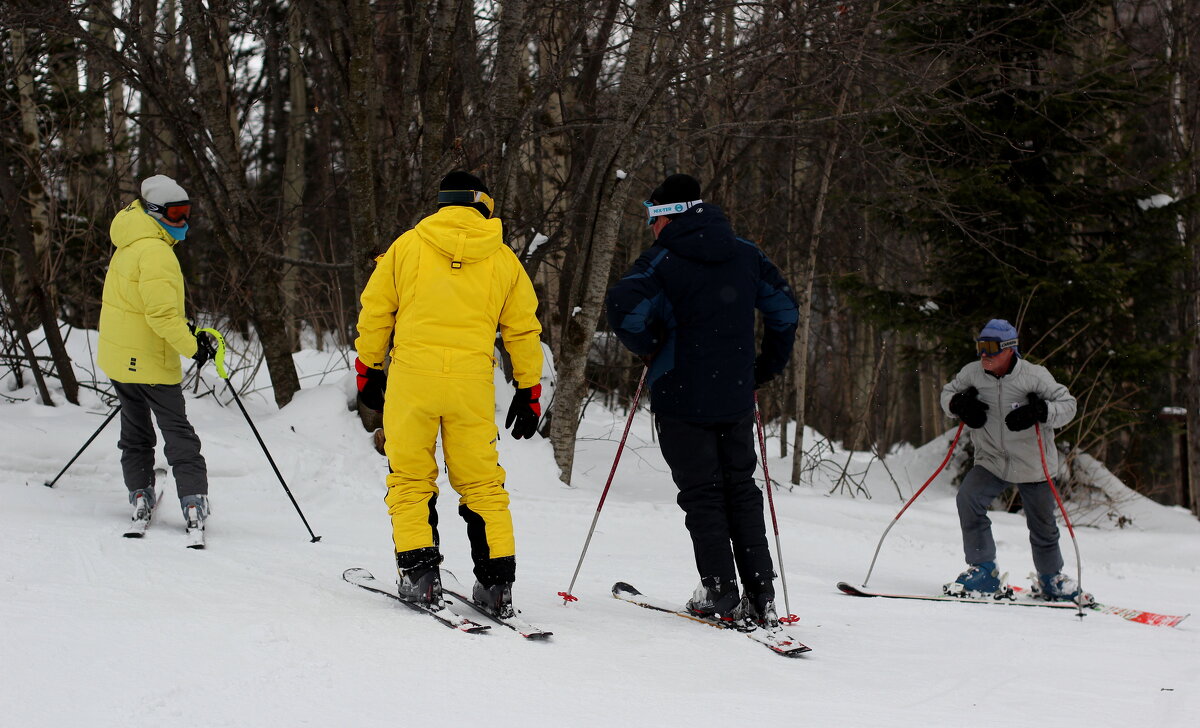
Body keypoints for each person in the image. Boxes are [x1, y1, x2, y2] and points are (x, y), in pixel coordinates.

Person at [605, 173, 799, 627]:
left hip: (681, 395)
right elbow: (785, 310)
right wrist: (765, 366)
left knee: (704, 495)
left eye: (652, 216)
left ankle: (719, 592)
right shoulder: (746, 253)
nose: (650, 226)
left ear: (667, 215)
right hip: (733, 395)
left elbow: (622, 307)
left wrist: (651, 343)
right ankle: (761, 594)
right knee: (740, 490)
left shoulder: (662, 260)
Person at [354, 171, 543, 618]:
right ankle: (497, 586)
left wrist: (370, 369)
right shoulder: (503, 259)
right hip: (471, 383)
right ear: (483, 205)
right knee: (481, 484)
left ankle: (419, 577)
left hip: (412, 379)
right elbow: (523, 328)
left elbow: (375, 311)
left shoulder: (406, 247)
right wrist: (528, 389)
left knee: (411, 479)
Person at [97, 174, 216, 538]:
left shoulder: (129, 241)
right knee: (178, 433)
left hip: (120, 359)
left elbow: (138, 306)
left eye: (187, 212)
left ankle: (139, 493)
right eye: (176, 214)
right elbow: (161, 316)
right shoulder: (157, 252)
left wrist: (185, 329)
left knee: (135, 432)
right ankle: (193, 500)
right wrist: (194, 346)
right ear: (155, 212)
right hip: (150, 362)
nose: (184, 222)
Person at [940, 318, 1089, 604]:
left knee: (1042, 524)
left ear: (1010, 349)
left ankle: (1051, 578)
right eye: (981, 347)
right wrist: (958, 404)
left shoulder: (1034, 376)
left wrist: (1041, 412)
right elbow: (947, 394)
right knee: (968, 500)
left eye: (991, 348)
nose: (984, 354)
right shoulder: (972, 373)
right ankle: (984, 570)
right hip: (992, 460)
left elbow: (1068, 405)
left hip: (1033, 463)